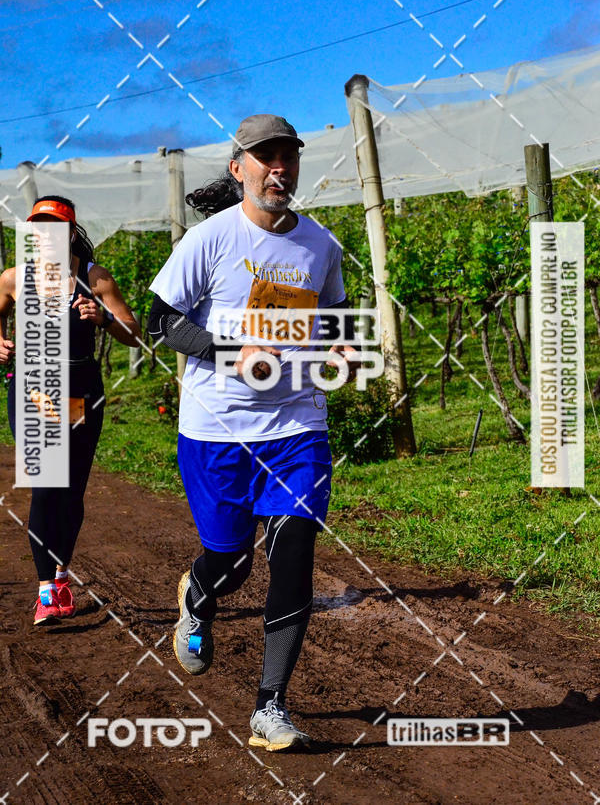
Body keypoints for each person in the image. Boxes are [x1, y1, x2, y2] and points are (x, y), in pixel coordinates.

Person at [148, 114, 359, 752]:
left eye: (288, 157)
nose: (279, 169)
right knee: (233, 560)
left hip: (297, 426)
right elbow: (161, 322)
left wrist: (342, 348)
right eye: (266, 158)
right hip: (217, 429)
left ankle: (271, 707)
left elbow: (336, 316)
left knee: (294, 553)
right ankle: (199, 594)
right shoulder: (210, 239)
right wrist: (227, 351)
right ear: (238, 168)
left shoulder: (321, 245)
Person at [0, 195, 141, 625]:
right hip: (34, 388)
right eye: (38, 226)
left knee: (71, 491)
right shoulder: (14, 278)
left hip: (81, 388)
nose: (45, 234)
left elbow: (133, 333)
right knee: (47, 485)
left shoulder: (94, 278)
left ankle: (61, 573)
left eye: (54, 226)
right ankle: (47, 591)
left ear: (70, 232)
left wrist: (103, 318)